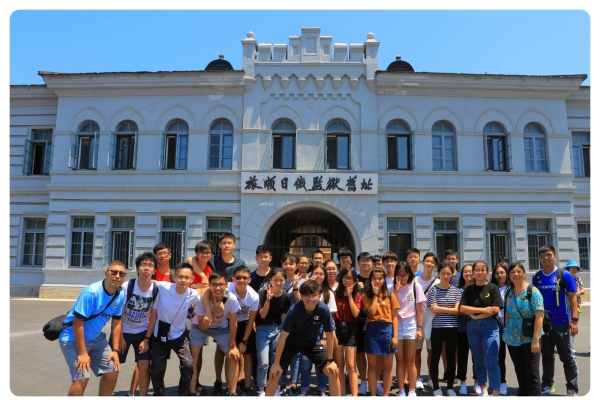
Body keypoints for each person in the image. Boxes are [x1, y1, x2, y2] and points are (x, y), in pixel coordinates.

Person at [58, 261, 126, 396]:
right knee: (82, 376)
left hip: (96, 338)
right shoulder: (91, 292)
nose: (117, 276)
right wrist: (83, 353)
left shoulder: (120, 294)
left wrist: (115, 350)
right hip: (72, 338)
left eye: (121, 274)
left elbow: (117, 322)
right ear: (106, 273)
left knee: (112, 370)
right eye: (114, 272)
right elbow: (78, 323)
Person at [265, 279, 341, 397]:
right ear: (301, 296)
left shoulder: (323, 309)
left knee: (333, 372)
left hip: (312, 343)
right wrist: (275, 364)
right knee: (274, 374)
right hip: (291, 343)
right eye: (307, 295)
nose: (310, 299)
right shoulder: (294, 310)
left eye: (314, 295)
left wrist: (330, 361)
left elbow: (330, 336)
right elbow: (282, 337)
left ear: (319, 295)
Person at [141, 262, 198, 396]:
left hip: (180, 337)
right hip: (159, 336)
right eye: (180, 276)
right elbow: (147, 281)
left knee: (188, 365)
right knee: (156, 369)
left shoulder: (193, 294)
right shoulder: (164, 287)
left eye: (187, 277)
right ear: (174, 277)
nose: (183, 280)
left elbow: (206, 294)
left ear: (192, 279)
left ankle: (183, 395)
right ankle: (159, 395)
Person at [532, 245, 579, 396]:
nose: (545, 258)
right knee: (546, 356)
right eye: (542, 256)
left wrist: (574, 320)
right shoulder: (536, 276)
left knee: (567, 358)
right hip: (544, 323)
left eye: (548, 255)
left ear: (554, 257)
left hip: (562, 322)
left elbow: (573, 299)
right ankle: (548, 384)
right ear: (539, 259)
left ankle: (572, 387)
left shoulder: (564, 275)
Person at [190, 271, 241, 396]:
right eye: (214, 284)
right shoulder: (201, 299)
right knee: (193, 357)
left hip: (221, 328)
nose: (218, 288)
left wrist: (233, 345)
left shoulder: (231, 299)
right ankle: (191, 391)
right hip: (199, 327)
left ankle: (232, 392)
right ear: (209, 285)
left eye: (221, 284)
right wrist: (215, 312)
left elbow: (233, 323)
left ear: (226, 285)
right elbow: (202, 326)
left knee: (232, 356)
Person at [459, 260, 503, 396]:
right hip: (472, 328)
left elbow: (496, 309)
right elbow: (462, 308)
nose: (480, 272)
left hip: (490, 326)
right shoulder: (469, 289)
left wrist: (476, 316)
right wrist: (483, 310)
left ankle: (495, 391)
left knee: (492, 360)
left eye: (482, 270)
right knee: (478, 360)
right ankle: (483, 388)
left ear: (487, 272)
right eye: (477, 270)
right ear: (473, 273)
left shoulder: (492, 287)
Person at [118, 252, 159, 397]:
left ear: (154, 270)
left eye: (150, 265)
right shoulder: (127, 287)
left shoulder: (156, 290)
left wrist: (146, 339)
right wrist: (120, 337)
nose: (146, 268)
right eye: (143, 264)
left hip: (142, 332)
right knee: (112, 366)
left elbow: (153, 317)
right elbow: (119, 314)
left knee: (144, 366)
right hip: (123, 331)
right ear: (137, 269)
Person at [503, 261, 543, 396]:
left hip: (530, 338)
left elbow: (539, 316)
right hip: (513, 339)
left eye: (518, 271)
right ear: (509, 275)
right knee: (520, 371)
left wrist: (536, 340)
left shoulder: (532, 291)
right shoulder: (509, 293)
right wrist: (506, 333)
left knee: (532, 373)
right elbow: (507, 314)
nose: (516, 274)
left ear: (524, 273)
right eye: (512, 272)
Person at [298, 263, 338, 396]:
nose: (318, 276)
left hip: (322, 329)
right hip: (306, 329)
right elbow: (299, 305)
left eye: (321, 274)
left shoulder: (328, 293)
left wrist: (326, 337)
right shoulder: (305, 290)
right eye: (316, 273)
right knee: (305, 363)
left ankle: (322, 390)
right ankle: (304, 390)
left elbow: (330, 318)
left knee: (323, 363)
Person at [391, 261, 425, 397]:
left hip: (411, 323)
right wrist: (396, 291)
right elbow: (391, 308)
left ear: (409, 274)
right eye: (399, 275)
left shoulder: (416, 286)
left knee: (411, 361)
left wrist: (419, 328)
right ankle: (401, 390)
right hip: (397, 323)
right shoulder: (391, 287)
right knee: (400, 361)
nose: (402, 278)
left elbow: (419, 310)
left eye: (405, 275)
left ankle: (411, 390)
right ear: (395, 275)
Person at [255, 268, 291, 396]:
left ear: (285, 281)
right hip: (262, 330)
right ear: (270, 280)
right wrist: (268, 300)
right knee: (263, 362)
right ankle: (261, 389)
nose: (278, 282)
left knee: (275, 361)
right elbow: (262, 315)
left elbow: (283, 317)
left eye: (281, 280)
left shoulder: (286, 296)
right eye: (275, 280)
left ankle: (274, 388)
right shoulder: (263, 293)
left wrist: (282, 333)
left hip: (277, 329)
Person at [427, 262, 461, 396]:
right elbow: (433, 309)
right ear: (438, 274)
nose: (446, 276)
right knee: (435, 357)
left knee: (451, 358)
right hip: (437, 328)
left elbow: (457, 311)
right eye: (443, 273)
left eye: (448, 273)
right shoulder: (433, 290)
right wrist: (449, 309)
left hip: (452, 328)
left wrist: (440, 308)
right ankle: (436, 387)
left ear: (452, 274)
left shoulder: (456, 291)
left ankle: (450, 387)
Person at [333, 267, 362, 396]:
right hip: (337, 328)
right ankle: (342, 394)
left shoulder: (357, 295)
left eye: (350, 278)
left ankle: (354, 395)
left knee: (351, 365)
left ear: (355, 280)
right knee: (339, 364)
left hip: (351, 329)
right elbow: (332, 314)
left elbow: (356, 313)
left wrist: (350, 296)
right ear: (341, 278)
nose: (347, 280)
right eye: (345, 277)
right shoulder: (335, 294)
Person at [415, 252, 440, 391]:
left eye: (432, 262)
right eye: (427, 261)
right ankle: (417, 377)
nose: (429, 264)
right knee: (416, 351)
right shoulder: (415, 281)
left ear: (435, 265)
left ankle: (431, 378)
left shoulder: (437, 282)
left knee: (432, 352)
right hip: (416, 321)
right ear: (423, 262)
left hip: (433, 321)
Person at [456, 264, 479, 395]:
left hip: (478, 327)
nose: (468, 274)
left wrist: (467, 310)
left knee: (477, 357)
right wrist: (474, 311)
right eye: (465, 271)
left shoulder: (479, 289)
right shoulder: (458, 291)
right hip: (462, 328)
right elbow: (458, 310)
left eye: (471, 271)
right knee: (462, 356)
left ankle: (477, 382)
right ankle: (462, 382)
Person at [490, 262, 510, 395]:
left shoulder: (511, 288)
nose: (499, 275)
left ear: (506, 274)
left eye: (502, 272)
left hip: (511, 325)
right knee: (499, 356)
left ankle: (525, 383)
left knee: (517, 356)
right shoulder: (491, 288)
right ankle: (502, 382)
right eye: (497, 273)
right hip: (496, 325)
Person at [565, 259, 584, 354]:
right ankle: (566, 345)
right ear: (568, 269)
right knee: (566, 325)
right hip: (566, 304)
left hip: (576, 304)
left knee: (574, 325)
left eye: (575, 268)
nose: (574, 270)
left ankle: (571, 346)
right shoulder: (564, 278)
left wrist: (579, 292)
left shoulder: (577, 278)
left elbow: (583, 290)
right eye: (572, 268)